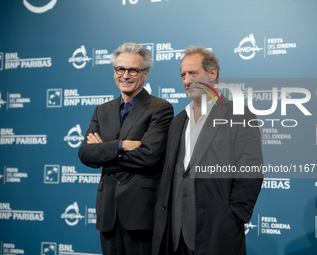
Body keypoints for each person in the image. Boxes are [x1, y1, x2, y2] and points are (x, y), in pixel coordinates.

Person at [152, 46, 263, 255]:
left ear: (212, 74)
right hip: (175, 235)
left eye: (193, 73)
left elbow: (251, 170)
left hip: (217, 232)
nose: (186, 80)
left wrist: (234, 215)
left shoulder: (239, 115)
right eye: (183, 75)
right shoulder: (177, 121)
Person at [78, 42, 174, 255]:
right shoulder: (102, 110)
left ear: (145, 74)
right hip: (108, 213)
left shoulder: (160, 108)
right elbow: (85, 154)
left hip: (141, 213)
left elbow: (149, 156)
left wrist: (103, 150)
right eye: (120, 69)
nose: (126, 75)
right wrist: (121, 145)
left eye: (133, 70)